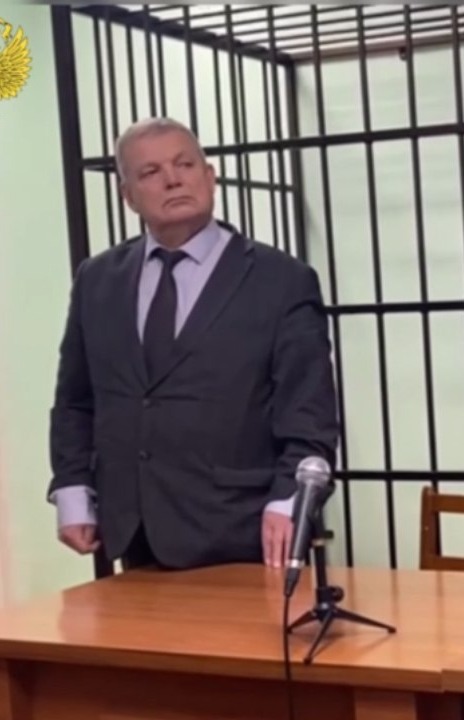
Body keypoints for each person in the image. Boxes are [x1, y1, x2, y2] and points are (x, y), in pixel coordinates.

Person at [47, 117, 339, 571]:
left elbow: (309, 412)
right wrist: (72, 489)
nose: (173, 179)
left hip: (245, 530)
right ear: (128, 196)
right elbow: (75, 401)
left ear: (210, 176)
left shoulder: (281, 280)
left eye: (185, 164)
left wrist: (289, 501)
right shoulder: (98, 279)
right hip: (132, 529)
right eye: (151, 172)